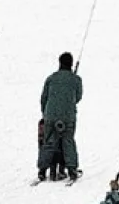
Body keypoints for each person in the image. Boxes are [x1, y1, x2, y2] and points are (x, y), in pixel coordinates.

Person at [38, 52, 82, 182]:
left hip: (50, 115)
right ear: (71, 64)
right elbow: (78, 97)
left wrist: (45, 114)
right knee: (68, 141)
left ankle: (42, 170)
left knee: (48, 142)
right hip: (68, 116)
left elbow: (44, 98)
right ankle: (71, 169)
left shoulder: (51, 78)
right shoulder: (76, 79)